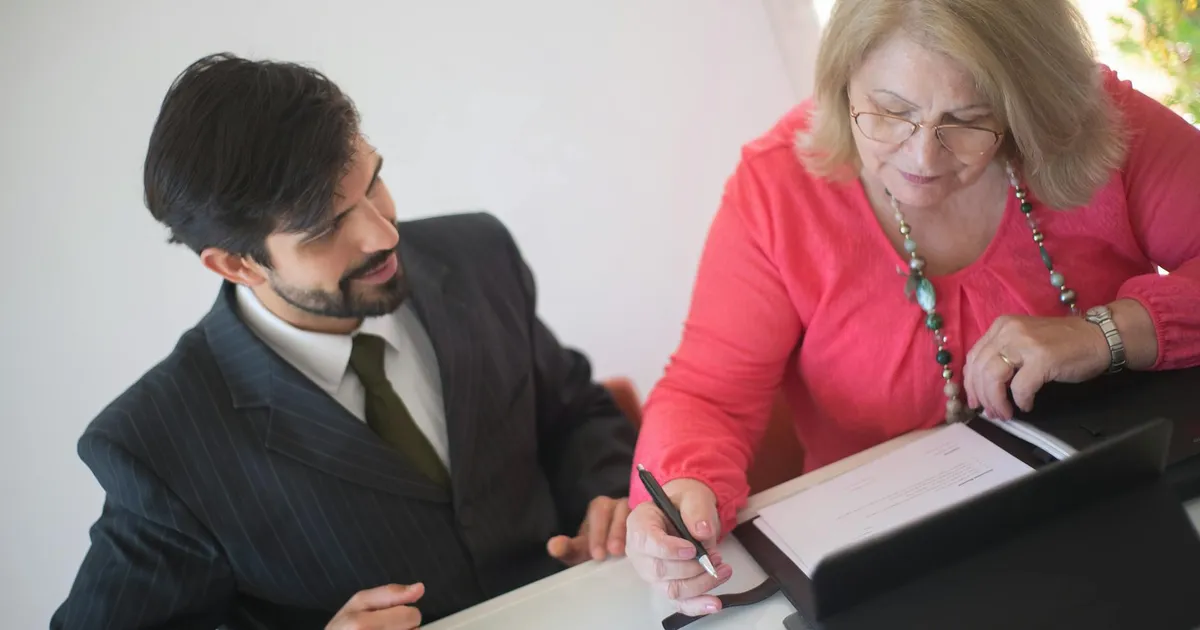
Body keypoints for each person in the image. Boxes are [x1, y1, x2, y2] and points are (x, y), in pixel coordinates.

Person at [624, 0, 1200, 616]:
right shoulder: (780, 189)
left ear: (1027, 99)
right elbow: (708, 394)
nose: (922, 158)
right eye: (891, 111)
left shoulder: (1099, 125)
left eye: (969, 119)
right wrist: (682, 486)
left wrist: (1107, 332)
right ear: (842, 83)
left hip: (1118, 508)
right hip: (892, 571)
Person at [52, 53, 637, 630]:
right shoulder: (158, 445)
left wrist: (607, 499)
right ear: (236, 264)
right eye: (326, 227)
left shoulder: (478, 255)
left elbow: (574, 414)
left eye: (373, 182)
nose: (383, 234)